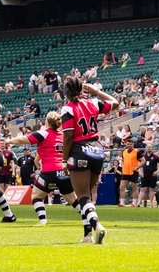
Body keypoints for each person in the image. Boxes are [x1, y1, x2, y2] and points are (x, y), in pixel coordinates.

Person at [60, 76, 117, 243]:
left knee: (83, 196)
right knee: (87, 199)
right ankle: (87, 236)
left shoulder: (68, 108)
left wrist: (64, 160)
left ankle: (97, 225)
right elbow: (115, 103)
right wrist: (97, 92)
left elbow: (68, 137)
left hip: (79, 149)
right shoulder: (92, 102)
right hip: (97, 149)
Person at [5, 112, 78, 225]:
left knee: (36, 196)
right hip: (64, 171)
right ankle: (89, 215)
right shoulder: (63, 135)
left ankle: (43, 221)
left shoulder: (44, 133)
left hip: (49, 170)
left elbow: (22, 140)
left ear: (47, 122)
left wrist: (9, 141)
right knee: (73, 200)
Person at [117, 140, 140, 206]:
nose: (129, 145)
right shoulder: (124, 152)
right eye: (128, 144)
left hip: (133, 172)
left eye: (130, 144)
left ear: (133, 144)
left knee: (134, 188)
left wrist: (137, 167)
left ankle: (134, 203)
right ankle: (122, 202)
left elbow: (143, 160)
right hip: (125, 172)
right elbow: (124, 161)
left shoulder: (137, 152)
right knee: (121, 187)